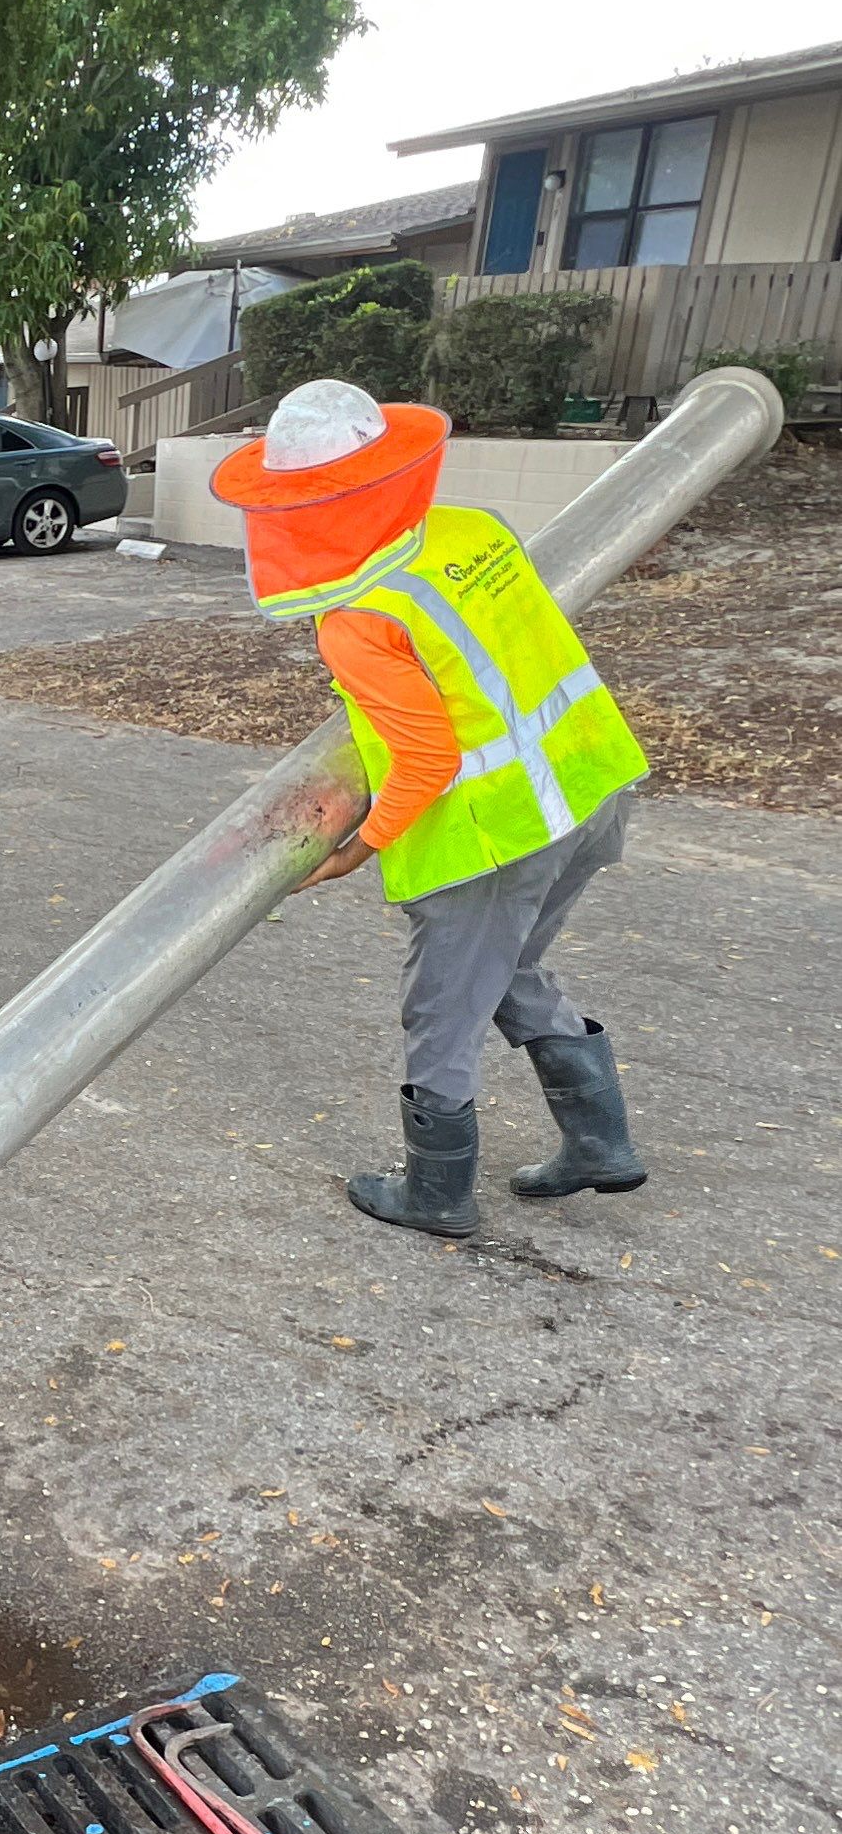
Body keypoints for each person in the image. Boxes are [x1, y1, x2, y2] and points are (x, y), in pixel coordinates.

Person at [210, 378, 651, 1236]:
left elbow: (425, 756)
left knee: (444, 1012)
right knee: (511, 970)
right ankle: (600, 1144)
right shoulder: (471, 532)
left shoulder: (358, 617)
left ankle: (438, 1195)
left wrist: (362, 843)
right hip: (588, 793)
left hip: (495, 839)